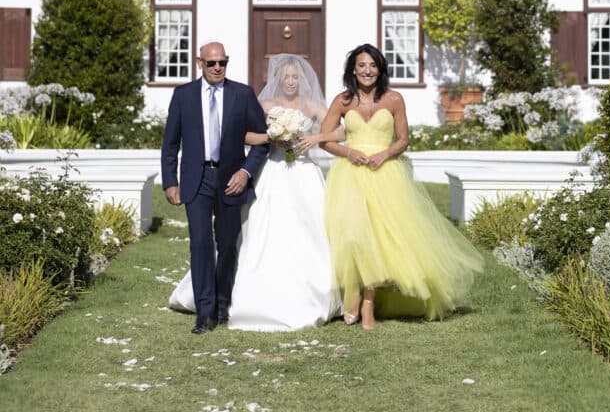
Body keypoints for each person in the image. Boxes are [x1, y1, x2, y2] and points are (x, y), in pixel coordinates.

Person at [169, 53, 342, 331]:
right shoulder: (264, 103)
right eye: (285, 77)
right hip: (271, 172)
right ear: (276, 79)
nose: (290, 81)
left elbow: (341, 132)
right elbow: (242, 134)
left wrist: (316, 138)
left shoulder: (313, 105)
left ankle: (312, 291)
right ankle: (230, 297)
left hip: (303, 173)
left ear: (303, 80)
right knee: (256, 232)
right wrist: (273, 136)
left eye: (295, 77)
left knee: (309, 231)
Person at [320, 43, 484, 330]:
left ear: (380, 69)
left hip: (385, 174)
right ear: (353, 70)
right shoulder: (343, 101)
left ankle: (369, 304)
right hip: (350, 175)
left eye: (372, 65)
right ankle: (353, 297)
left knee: (380, 240)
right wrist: (349, 152)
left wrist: (384, 154)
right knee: (353, 237)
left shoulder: (394, 99)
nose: (367, 71)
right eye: (361, 65)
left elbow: (402, 139)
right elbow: (326, 139)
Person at [161, 40, 269, 334]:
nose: (218, 68)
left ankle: (222, 303)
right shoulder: (183, 96)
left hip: (231, 180)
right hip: (196, 180)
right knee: (200, 244)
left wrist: (245, 172)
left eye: (223, 62)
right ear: (200, 63)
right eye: (212, 63)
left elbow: (263, 139)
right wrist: (170, 181)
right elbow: (170, 144)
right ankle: (204, 312)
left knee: (228, 244)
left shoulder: (242, 94)